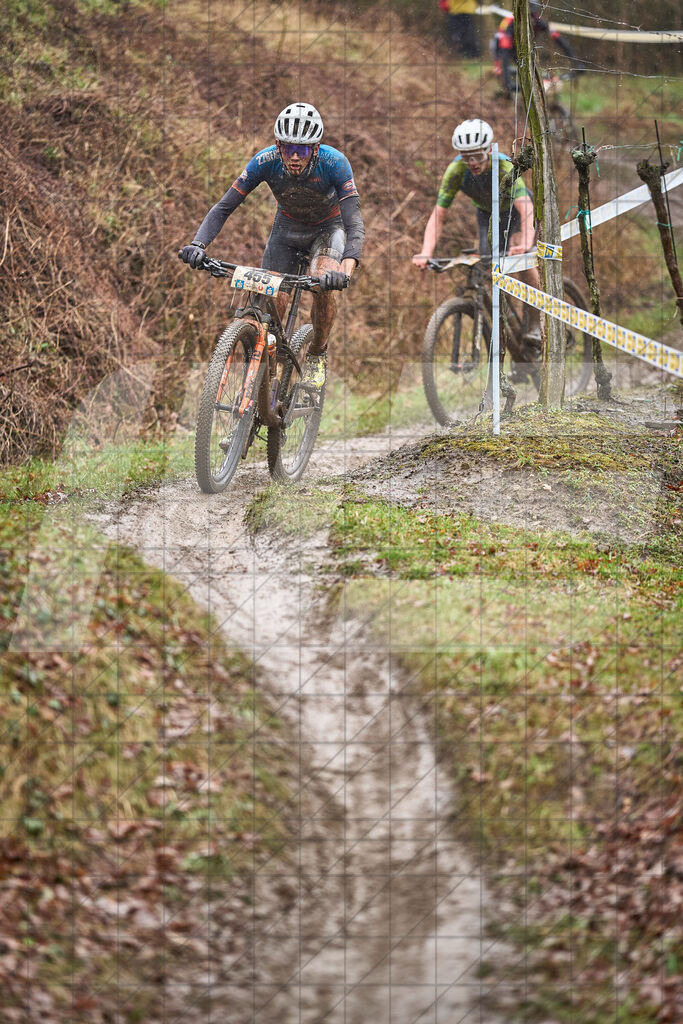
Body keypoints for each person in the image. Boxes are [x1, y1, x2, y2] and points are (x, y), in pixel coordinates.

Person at [179, 102, 365, 388]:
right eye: (286, 147)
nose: (293, 156)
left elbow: (354, 224)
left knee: (322, 282)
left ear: (315, 149)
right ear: (277, 145)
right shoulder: (265, 161)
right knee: (269, 303)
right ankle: (264, 386)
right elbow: (224, 207)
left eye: (301, 150)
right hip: (287, 230)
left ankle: (317, 352)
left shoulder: (335, 163)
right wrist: (198, 244)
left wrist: (345, 271)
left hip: (329, 229)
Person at [412, 118, 541, 334]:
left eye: (477, 155)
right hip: (487, 214)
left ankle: (536, 325)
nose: (472, 162)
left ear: (489, 150)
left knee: (521, 259)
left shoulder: (504, 166)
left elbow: (525, 207)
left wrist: (526, 242)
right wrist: (426, 252)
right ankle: (509, 326)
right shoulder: (456, 171)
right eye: (466, 156)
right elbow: (438, 215)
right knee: (492, 267)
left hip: (516, 213)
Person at [492, 0, 584, 99]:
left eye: (532, 14)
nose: (531, 19)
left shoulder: (539, 20)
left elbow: (560, 41)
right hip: (501, 47)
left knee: (530, 71)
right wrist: (507, 82)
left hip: (523, 48)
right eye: (528, 15)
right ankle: (507, 93)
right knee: (502, 73)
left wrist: (576, 62)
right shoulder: (510, 22)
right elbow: (504, 53)